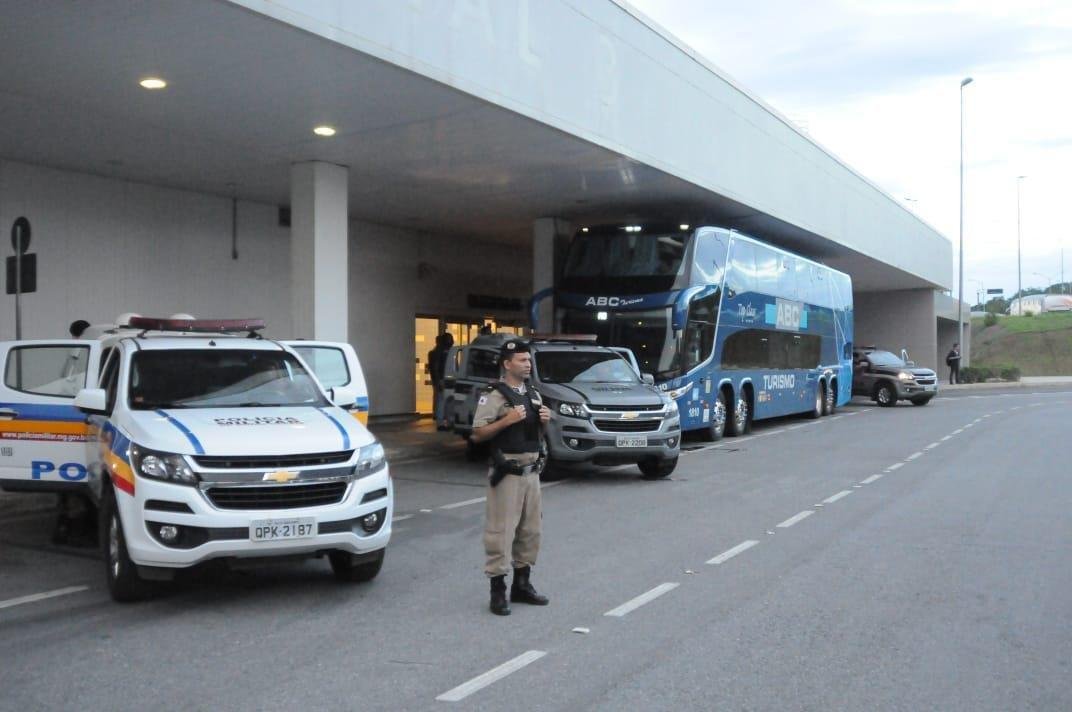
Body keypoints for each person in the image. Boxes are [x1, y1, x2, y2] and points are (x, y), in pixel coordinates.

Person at [469, 339, 552, 616]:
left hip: (531, 472)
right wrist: (507, 420)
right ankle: (498, 591)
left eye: (529, 360)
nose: (528, 364)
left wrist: (545, 420)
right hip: (508, 472)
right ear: (507, 364)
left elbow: (537, 434)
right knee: (501, 532)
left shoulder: (533, 393)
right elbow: (478, 433)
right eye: (522, 360)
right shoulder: (494, 395)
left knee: (530, 531)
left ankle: (522, 584)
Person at [427, 333, 454, 427]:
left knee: (446, 401)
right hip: (443, 379)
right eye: (449, 339)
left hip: (447, 379)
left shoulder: (447, 351)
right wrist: (439, 380)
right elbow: (436, 367)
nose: (451, 342)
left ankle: (446, 421)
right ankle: (442, 422)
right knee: (442, 401)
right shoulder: (441, 352)